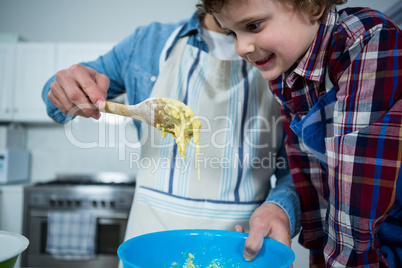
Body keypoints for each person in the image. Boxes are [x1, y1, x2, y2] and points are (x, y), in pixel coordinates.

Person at [42, 7, 301, 264]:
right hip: (147, 251)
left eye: (254, 26)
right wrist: (64, 87)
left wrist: (281, 207)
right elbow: (55, 101)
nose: (244, 45)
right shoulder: (147, 44)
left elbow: (298, 169)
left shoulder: (285, 55)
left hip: (239, 251)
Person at [198, 0, 402, 267]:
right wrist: (280, 209)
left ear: (311, 6)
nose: (241, 47)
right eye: (233, 33)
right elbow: (308, 173)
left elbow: (357, 193)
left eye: (253, 25)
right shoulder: (284, 77)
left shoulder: (365, 40)